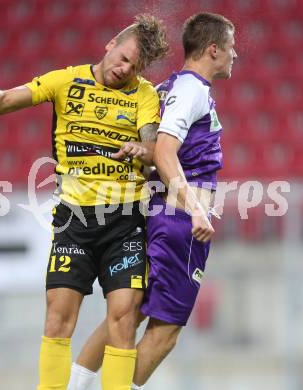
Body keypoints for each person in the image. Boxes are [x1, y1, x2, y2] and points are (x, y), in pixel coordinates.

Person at [0, 14, 169, 390]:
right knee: (58, 320)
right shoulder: (65, 80)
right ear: (110, 44)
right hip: (74, 223)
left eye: (133, 67)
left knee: (123, 319)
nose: (124, 69)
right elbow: (2, 103)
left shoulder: (144, 95)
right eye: (122, 57)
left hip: (124, 223)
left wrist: (144, 148)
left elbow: (156, 147)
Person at [67, 12, 237, 390]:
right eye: (230, 47)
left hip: (159, 213)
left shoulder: (166, 87)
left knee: (129, 312)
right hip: (179, 223)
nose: (234, 55)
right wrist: (196, 209)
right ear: (212, 49)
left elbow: (151, 149)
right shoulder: (192, 90)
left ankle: (73, 386)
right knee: (166, 330)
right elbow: (164, 152)